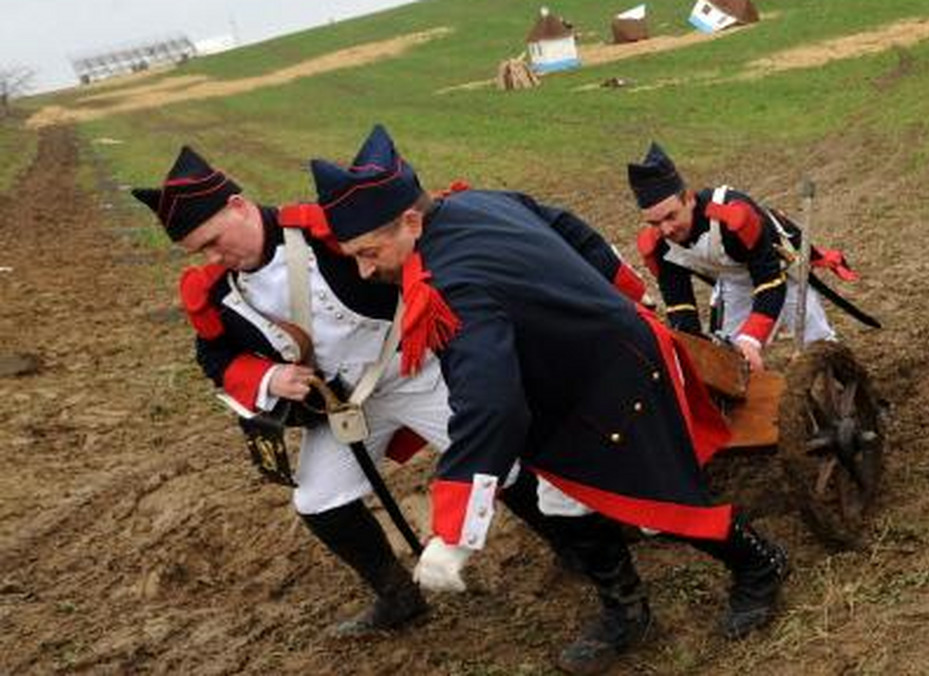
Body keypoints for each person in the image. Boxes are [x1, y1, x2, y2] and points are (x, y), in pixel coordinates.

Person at [309, 125, 792, 675]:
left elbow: (490, 402)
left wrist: (455, 532)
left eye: (369, 252)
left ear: (412, 222)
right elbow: (568, 226)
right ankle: (626, 609)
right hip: (566, 382)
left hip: (613, 378)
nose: (366, 270)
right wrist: (623, 290)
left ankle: (759, 565)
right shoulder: (472, 204)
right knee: (563, 501)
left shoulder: (450, 281)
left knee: (661, 503)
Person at [131, 147, 453, 636]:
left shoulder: (326, 227)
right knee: (318, 500)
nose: (215, 257)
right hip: (347, 405)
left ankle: (591, 563)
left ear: (238, 206)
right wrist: (268, 378)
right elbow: (214, 357)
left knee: (502, 459)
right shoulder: (216, 290)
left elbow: (417, 242)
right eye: (202, 251)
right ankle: (397, 595)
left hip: (416, 369)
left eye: (215, 241)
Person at [627, 141, 846, 372]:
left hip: (782, 273)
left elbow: (770, 282)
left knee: (818, 344)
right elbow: (680, 304)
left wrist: (751, 340)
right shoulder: (658, 244)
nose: (666, 230)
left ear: (689, 199)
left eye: (671, 216)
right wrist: (691, 348)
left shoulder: (733, 216)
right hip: (735, 281)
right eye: (654, 222)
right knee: (729, 360)